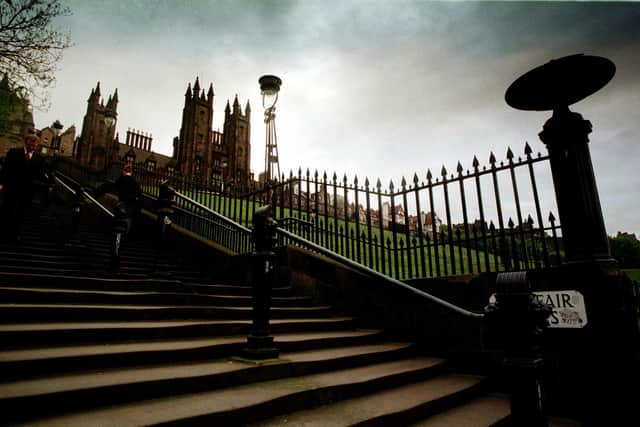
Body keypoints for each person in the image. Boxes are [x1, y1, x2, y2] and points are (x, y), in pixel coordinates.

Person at [0, 132, 49, 242]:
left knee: (21, 213)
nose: (32, 147)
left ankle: (15, 234)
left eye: (35, 145)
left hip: (27, 190)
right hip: (12, 187)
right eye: (31, 144)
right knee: (7, 209)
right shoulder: (14, 153)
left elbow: (41, 174)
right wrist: (2, 183)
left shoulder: (39, 159)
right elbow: (6, 169)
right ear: (26, 142)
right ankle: (3, 231)